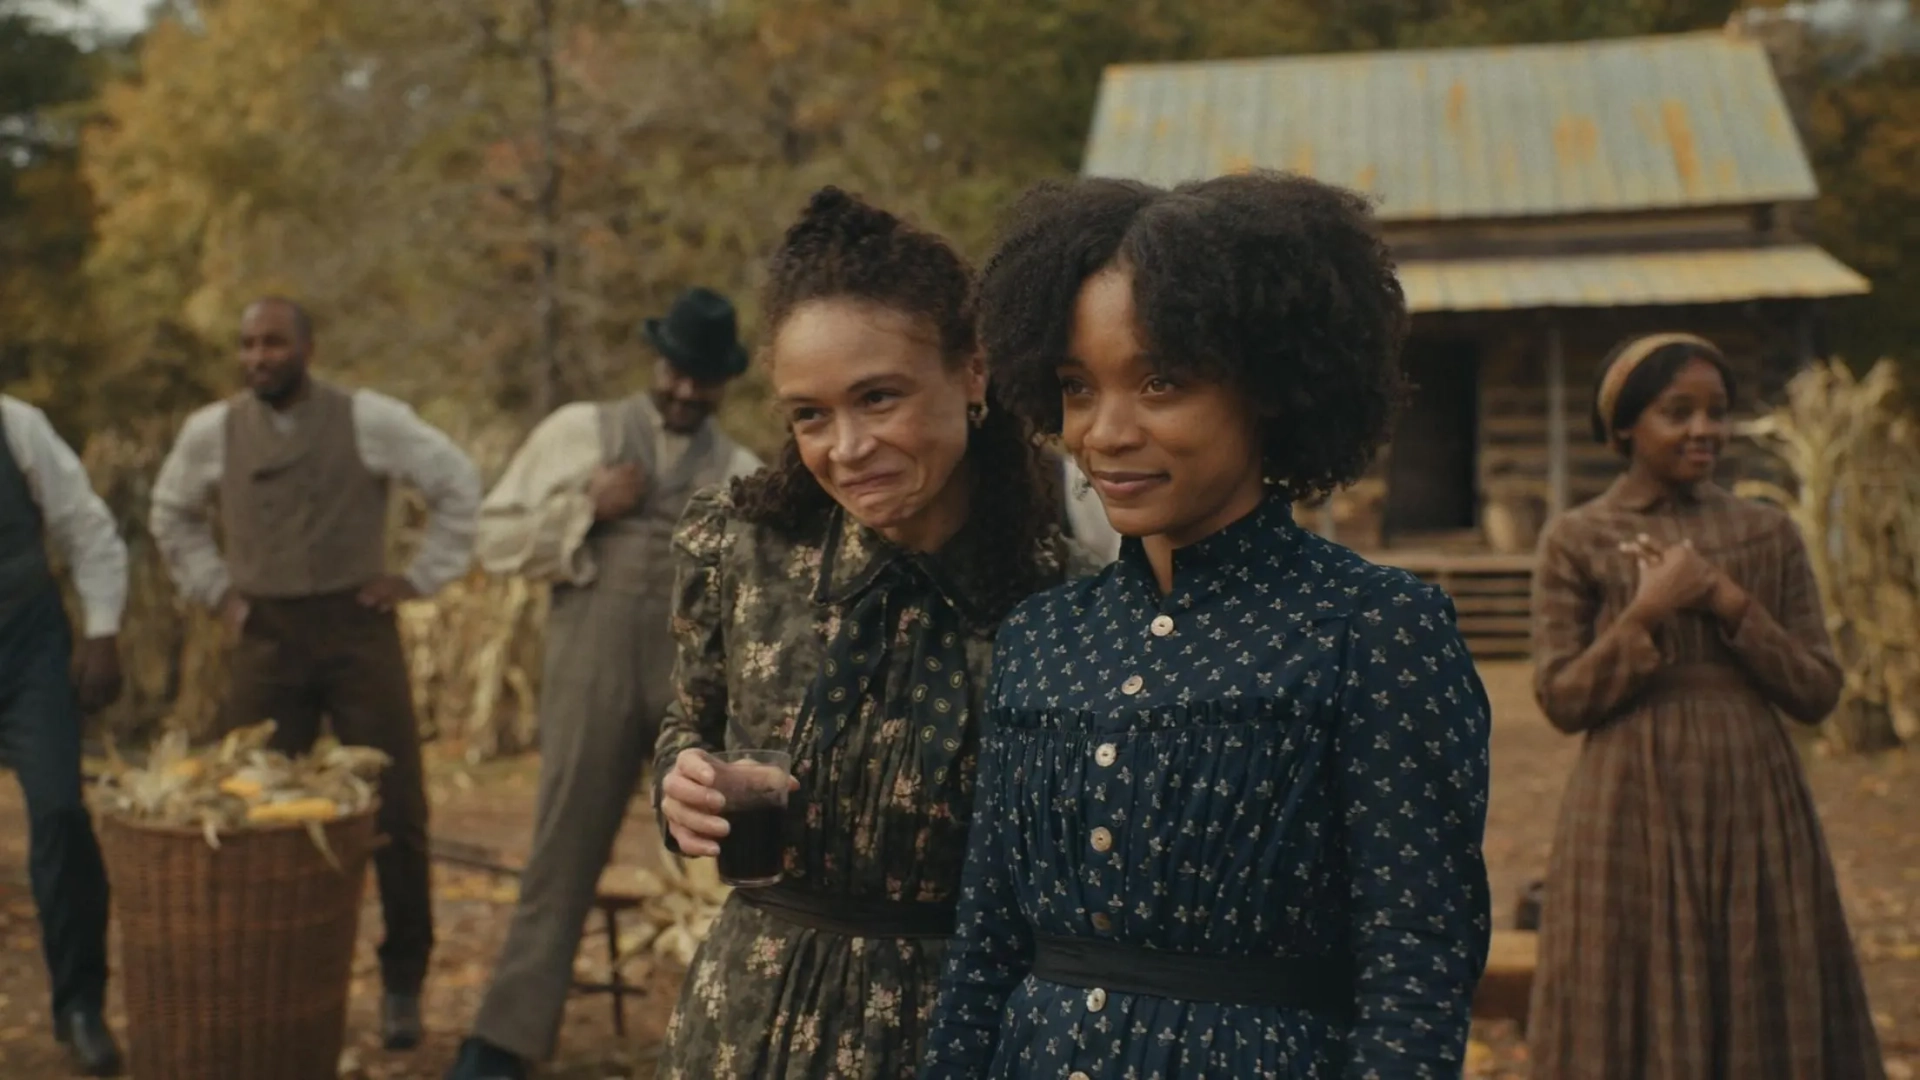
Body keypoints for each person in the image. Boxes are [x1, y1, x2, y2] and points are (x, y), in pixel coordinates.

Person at [922, 171, 1494, 1078]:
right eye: (1076, 388)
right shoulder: (1039, 640)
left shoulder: (1375, 630)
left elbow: (1415, 974)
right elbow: (986, 949)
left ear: (1269, 385)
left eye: (1160, 381)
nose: (1105, 432)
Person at [648, 186, 1099, 1080]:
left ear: (973, 373)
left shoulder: (1064, 606)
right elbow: (687, 723)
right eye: (810, 414)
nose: (846, 448)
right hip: (746, 1016)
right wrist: (684, 784)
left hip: (964, 1027)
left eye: (879, 398)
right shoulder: (743, 552)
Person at [1525, 332, 1885, 1080]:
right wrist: (1645, 613)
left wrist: (1728, 601)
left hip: (1753, 789)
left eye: (1717, 412)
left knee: (1759, 968)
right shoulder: (1577, 539)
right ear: (1625, 426)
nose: (1704, 430)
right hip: (1628, 794)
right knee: (1630, 970)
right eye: (1677, 411)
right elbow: (1561, 697)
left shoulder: (1767, 533)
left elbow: (1819, 688)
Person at [446, 287, 763, 1080]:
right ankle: (503, 1042)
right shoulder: (579, 434)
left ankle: (742, 1043)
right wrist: (584, 504)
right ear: (656, 360)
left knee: (740, 855)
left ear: (724, 382)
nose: (686, 392)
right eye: (676, 372)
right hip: (589, 667)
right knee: (562, 853)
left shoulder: (741, 471)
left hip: (692, 683)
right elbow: (496, 538)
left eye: (704, 380)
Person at [149, 297, 481, 1051]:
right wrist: (219, 594)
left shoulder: (370, 419)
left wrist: (417, 578)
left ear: (306, 348)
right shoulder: (214, 431)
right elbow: (171, 513)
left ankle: (402, 982)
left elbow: (458, 485)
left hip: (357, 630)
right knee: (238, 805)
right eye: (247, 345)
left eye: (272, 343)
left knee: (396, 811)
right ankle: (246, 973)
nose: (258, 357)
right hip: (265, 637)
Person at [0, 395, 127, 1076]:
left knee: (59, 811)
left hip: (27, 648)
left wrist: (102, 631)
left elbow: (85, 526)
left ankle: (80, 1006)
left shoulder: (14, 425)